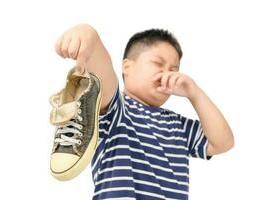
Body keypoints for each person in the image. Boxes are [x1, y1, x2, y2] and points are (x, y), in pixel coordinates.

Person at [55, 23, 235, 200]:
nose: (167, 74)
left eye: (174, 70)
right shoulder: (118, 108)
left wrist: (194, 93)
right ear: (127, 67)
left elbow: (223, 142)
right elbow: (104, 77)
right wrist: (90, 36)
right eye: (158, 63)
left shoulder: (178, 125)